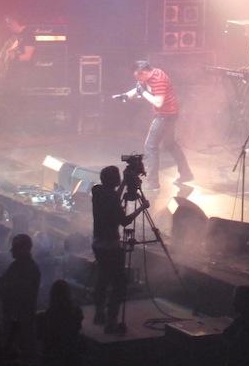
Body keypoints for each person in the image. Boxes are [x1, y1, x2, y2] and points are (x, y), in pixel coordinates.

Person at [113, 61, 193, 191]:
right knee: (170, 144)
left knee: (150, 146)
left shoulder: (158, 79)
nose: (138, 80)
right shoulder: (148, 77)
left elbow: (158, 102)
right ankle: (186, 174)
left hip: (165, 116)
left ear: (144, 72)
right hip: (169, 115)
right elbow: (139, 88)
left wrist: (143, 92)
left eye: (138, 77)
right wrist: (126, 96)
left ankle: (153, 184)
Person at [90, 165, 149, 335]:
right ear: (114, 180)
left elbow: (112, 197)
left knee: (102, 279)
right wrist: (142, 207)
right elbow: (124, 221)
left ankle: (99, 314)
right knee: (118, 284)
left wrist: (123, 183)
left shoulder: (97, 191)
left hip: (98, 243)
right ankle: (111, 322)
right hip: (111, 247)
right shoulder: (112, 198)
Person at [0, 233, 41, 362]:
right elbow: (0, 288)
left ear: (24, 249)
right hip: (14, 318)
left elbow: (17, 294)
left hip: (22, 320)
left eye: (15, 248)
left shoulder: (30, 269)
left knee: (22, 353)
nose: (11, 251)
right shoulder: (15, 266)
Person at [37, 279, 83, 366]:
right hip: (71, 354)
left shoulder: (49, 314)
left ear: (52, 294)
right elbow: (78, 328)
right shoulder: (77, 311)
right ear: (68, 293)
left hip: (53, 356)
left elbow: (44, 336)